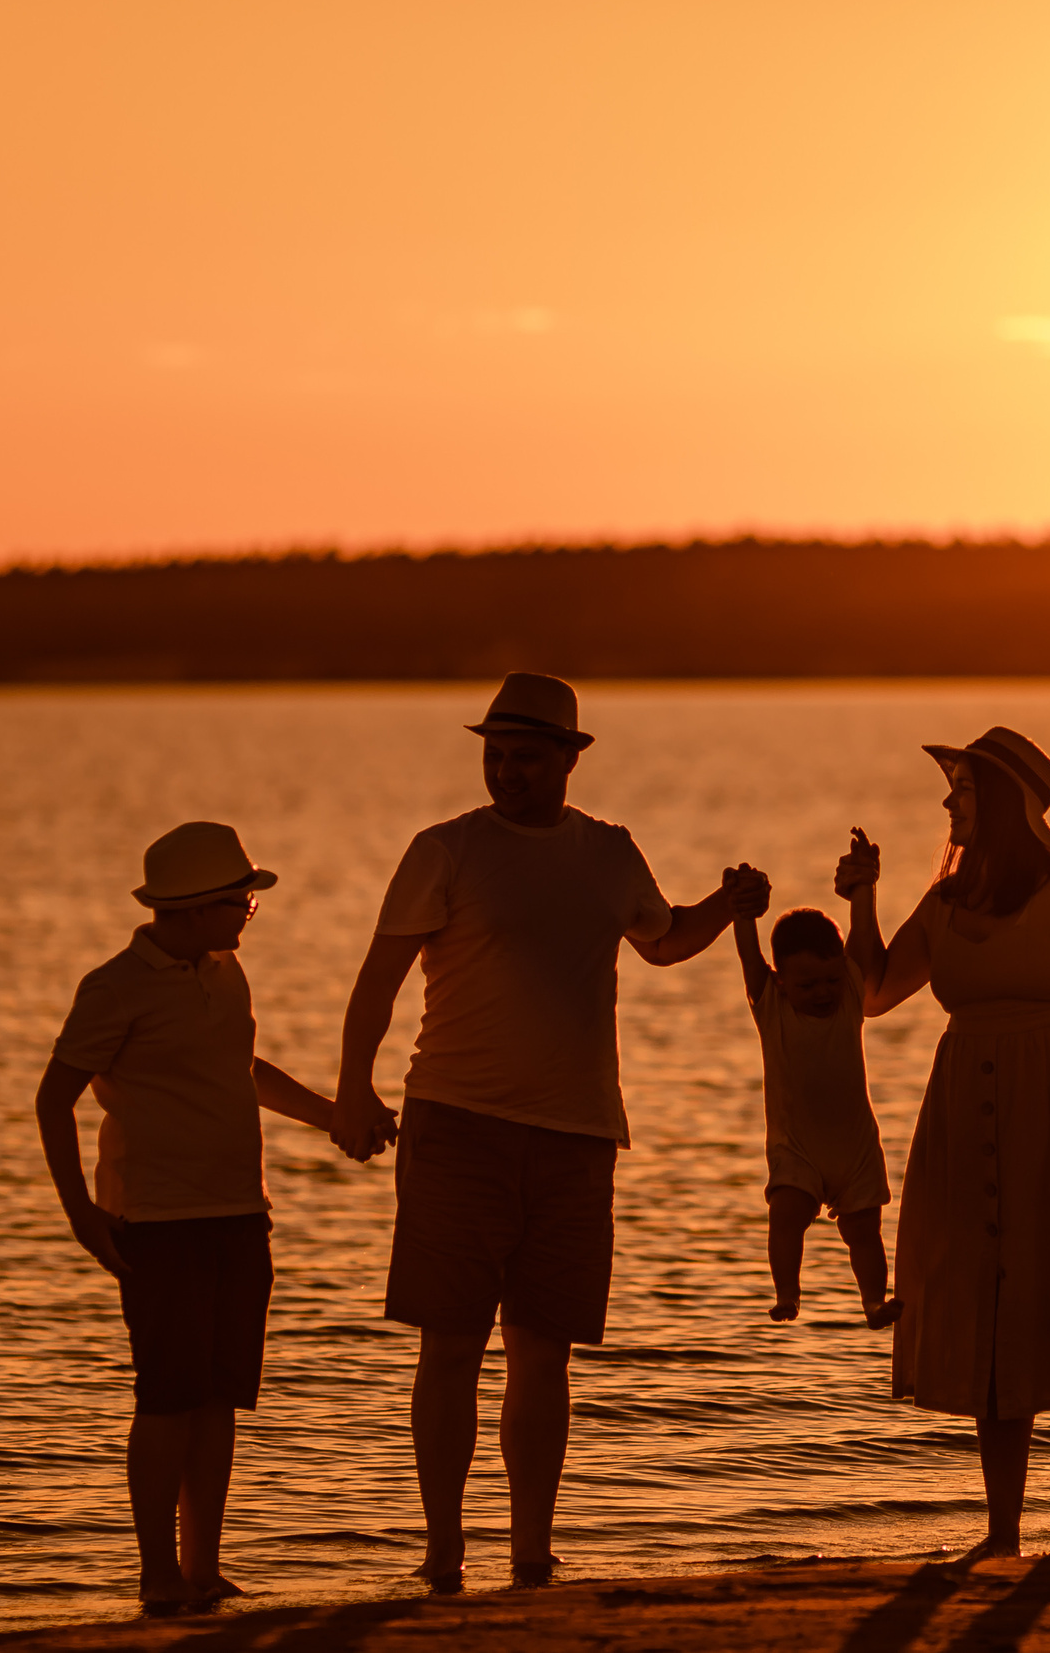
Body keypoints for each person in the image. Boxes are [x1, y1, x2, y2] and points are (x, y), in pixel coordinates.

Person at [328, 673, 738, 1589]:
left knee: (543, 1349)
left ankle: (529, 1551)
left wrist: (727, 902)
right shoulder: (445, 850)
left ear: (568, 759)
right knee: (452, 1342)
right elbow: (377, 980)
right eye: (494, 754)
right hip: (457, 1123)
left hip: (577, 1132)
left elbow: (664, 941)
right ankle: (442, 1548)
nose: (505, 772)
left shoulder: (609, 852)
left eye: (525, 756)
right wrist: (352, 1090)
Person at [34, 821, 395, 1612]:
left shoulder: (226, 972)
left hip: (240, 1212)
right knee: (166, 1397)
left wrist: (336, 1116)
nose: (248, 914)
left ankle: (202, 1567)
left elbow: (244, 1070)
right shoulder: (114, 987)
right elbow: (53, 1099)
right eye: (242, 901)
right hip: (157, 1222)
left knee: (219, 1397)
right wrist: (81, 1214)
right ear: (197, 908)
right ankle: (156, 1572)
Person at [842, 728, 1050, 1562]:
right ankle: (1002, 1532)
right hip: (966, 1115)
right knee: (987, 1313)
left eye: (965, 791)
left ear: (1008, 805)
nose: (948, 804)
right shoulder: (944, 904)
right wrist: (862, 900)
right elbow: (871, 993)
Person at [725, 853, 900, 1327]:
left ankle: (873, 1303)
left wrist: (863, 887)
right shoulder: (770, 1004)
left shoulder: (848, 998)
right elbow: (748, 953)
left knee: (864, 1231)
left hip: (855, 1148)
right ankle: (787, 1294)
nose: (823, 992)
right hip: (796, 1148)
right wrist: (743, 912)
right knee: (786, 1216)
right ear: (781, 981)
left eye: (828, 980)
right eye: (808, 985)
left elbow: (862, 939)